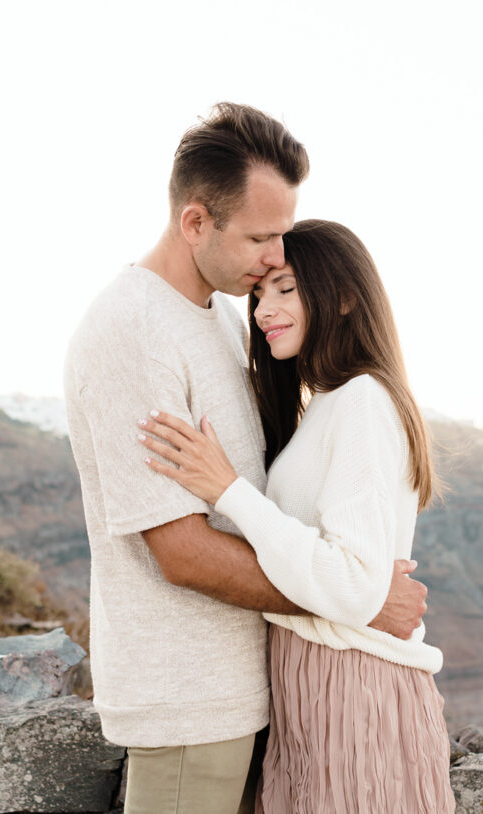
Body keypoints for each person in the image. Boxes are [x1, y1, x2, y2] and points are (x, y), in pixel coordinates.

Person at [63, 104, 429, 814]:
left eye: (283, 240)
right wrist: (356, 601)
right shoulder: (135, 330)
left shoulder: (222, 318)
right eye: (261, 239)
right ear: (196, 222)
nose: (274, 258)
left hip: (255, 691)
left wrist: (347, 596)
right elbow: (182, 551)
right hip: (190, 700)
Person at [136, 219, 456, 813]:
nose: (263, 310)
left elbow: (352, 579)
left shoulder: (362, 400)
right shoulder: (326, 406)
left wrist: (228, 490)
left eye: (285, 289)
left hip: (354, 684)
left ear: (341, 296)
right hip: (314, 684)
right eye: (259, 294)